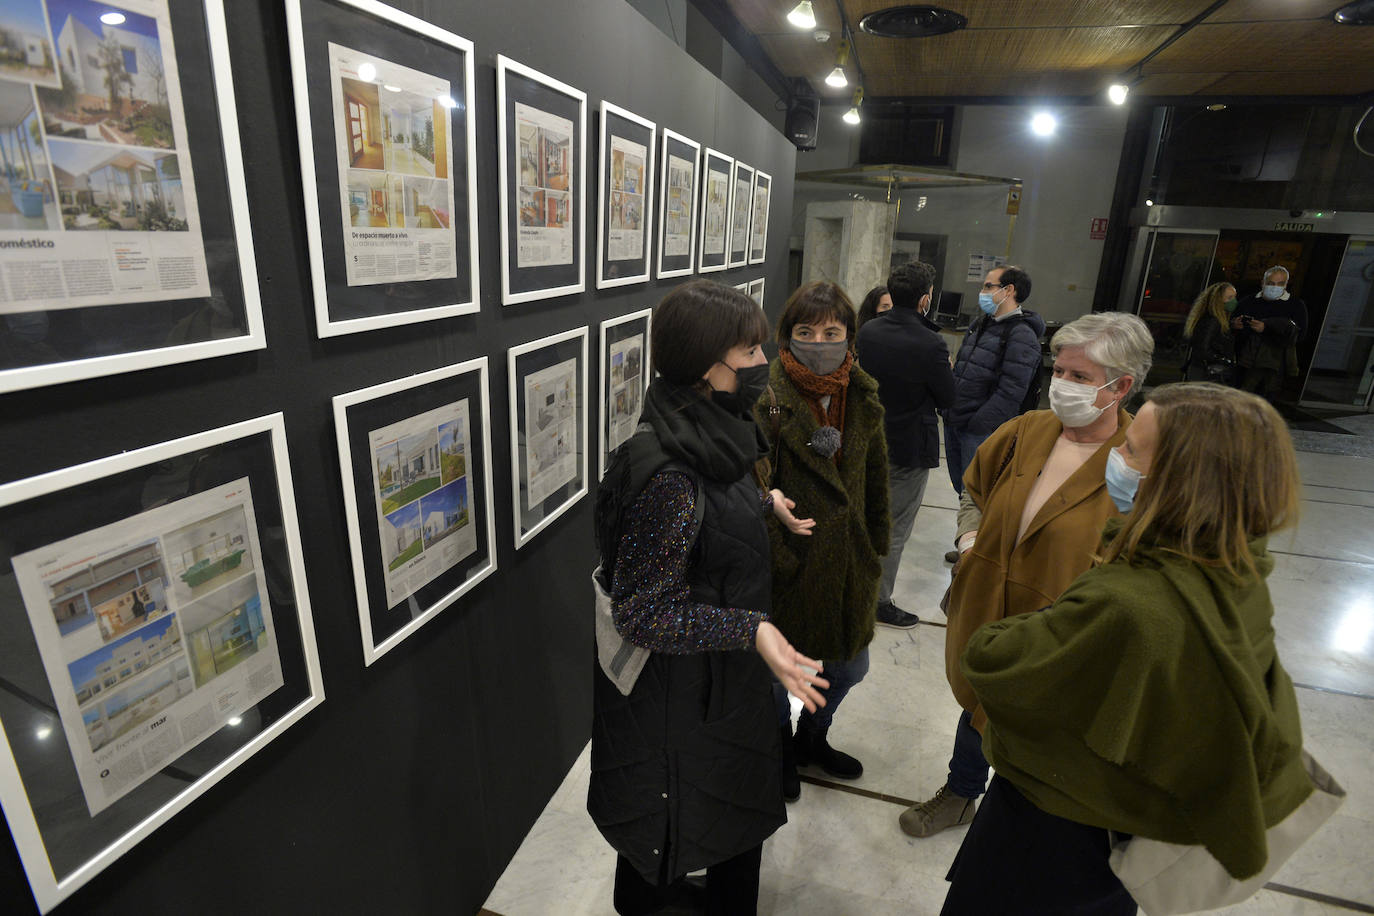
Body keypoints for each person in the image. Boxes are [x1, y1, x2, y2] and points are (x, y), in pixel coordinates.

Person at [943, 383, 1314, 915]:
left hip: (1057, 826)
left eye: (1131, 450)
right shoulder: (1237, 573)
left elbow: (993, 663)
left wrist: (1049, 618)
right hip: (1127, 831)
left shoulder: (1130, 600)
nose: (1113, 458)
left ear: (1186, 482)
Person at [587, 280, 829, 916]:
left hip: (710, 687)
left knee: (726, 819)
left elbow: (702, 515)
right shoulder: (669, 473)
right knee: (676, 836)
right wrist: (752, 630)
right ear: (708, 367)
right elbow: (641, 612)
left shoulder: (699, 428)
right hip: (679, 700)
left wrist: (762, 502)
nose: (761, 363)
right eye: (750, 351)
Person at [900, 312, 1154, 840]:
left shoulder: (1138, 462)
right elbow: (975, 493)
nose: (1060, 385)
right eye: (1058, 370)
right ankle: (962, 793)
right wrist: (969, 542)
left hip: (1064, 634)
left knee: (1041, 731)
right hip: (988, 606)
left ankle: (1017, 818)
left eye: (1080, 377)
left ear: (1121, 386)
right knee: (978, 706)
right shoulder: (1024, 432)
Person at [756, 280, 889, 799]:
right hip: (788, 556)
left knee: (849, 664)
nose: (819, 341)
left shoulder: (861, 392)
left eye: (832, 330)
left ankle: (813, 736)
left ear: (850, 336)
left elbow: (875, 472)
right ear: (787, 335)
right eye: (805, 330)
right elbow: (752, 481)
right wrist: (775, 536)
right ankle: (779, 747)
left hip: (849, 558)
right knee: (775, 675)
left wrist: (875, 542)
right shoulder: (767, 396)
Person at [855, 261, 955, 628]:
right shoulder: (931, 343)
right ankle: (878, 601)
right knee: (893, 528)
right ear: (925, 300)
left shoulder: (868, 332)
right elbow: (948, 396)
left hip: (869, 438)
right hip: (909, 446)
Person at [942, 265, 1045, 496]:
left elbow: (1011, 392)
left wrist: (979, 424)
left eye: (989, 286)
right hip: (955, 422)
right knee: (962, 492)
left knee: (978, 497)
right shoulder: (980, 325)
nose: (983, 291)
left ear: (1009, 290)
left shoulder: (1022, 335)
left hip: (979, 431)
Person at [1232, 265, 1308, 402]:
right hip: (1244, 361)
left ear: (1285, 285)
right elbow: (1231, 324)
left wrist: (1266, 330)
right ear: (1263, 283)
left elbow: (1299, 336)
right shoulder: (1248, 301)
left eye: (1280, 284)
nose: (1275, 287)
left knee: (1263, 402)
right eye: (1271, 283)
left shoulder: (1295, 305)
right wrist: (1234, 325)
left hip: (1272, 366)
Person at [1181, 281, 1237, 382]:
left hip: (1204, 369)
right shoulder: (1212, 320)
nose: (1234, 301)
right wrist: (1223, 360)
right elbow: (1202, 349)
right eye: (1229, 298)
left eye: (1234, 297)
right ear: (1218, 300)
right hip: (1205, 371)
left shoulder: (1219, 320)